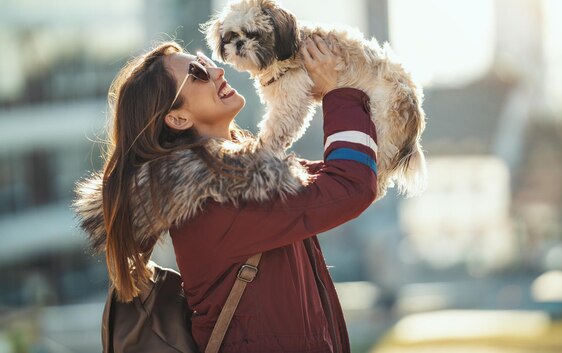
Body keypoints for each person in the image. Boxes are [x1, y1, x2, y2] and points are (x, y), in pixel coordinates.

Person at [74, 35, 378, 353]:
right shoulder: (217, 201)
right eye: (198, 74)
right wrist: (338, 92)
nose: (217, 71)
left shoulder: (239, 178)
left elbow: (345, 173)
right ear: (178, 118)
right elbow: (350, 186)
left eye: (206, 62)